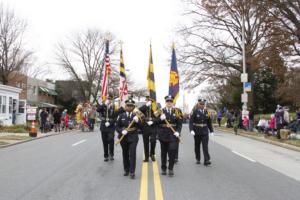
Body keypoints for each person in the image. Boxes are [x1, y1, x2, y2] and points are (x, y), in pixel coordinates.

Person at [157, 95, 182, 176]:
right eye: (168, 101)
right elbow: (154, 122)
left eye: (171, 101)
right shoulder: (160, 111)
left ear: (173, 102)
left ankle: (170, 168)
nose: (169, 103)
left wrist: (178, 131)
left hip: (173, 134)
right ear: (165, 102)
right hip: (163, 134)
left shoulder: (177, 111)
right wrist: (160, 118)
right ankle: (163, 168)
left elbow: (179, 123)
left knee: (172, 151)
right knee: (163, 152)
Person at [116, 99, 141, 179]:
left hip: (133, 136)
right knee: (125, 153)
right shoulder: (121, 115)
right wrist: (121, 131)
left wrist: (138, 121)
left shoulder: (136, 116)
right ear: (125, 106)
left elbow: (141, 127)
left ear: (133, 107)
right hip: (123, 137)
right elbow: (117, 126)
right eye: (128, 105)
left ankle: (132, 171)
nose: (129, 107)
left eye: (131, 106)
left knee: (132, 154)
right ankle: (126, 169)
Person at [189, 98, 214, 166]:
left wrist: (211, 131)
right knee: (197, 146)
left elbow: (209, 122)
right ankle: (198, 158)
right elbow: (191, 122)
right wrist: (191, 130)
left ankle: (206, 160)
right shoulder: (194, 111)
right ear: (198, 104)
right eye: (201, 104)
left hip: (205, 131)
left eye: (203, 104)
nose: (202, 105)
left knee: (205, 146)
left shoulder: (207, 112)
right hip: (197, 131)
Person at [97, 96, 120, 162]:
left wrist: (110, 122)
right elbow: (98, 110)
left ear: (112, 100)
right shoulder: (103, 106)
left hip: (111, 126)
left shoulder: (114, 106)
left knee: (111, 140)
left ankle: (111, 154)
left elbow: (116, 117)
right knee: (104, 141)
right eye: (108, 99)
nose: (109, 100)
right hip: (104, 125)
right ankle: (106, 155)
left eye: (110, 99)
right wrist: (104, 104)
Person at [139, 96, 157, 162]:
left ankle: (152, 153)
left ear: (152, 102)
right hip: (145, 126)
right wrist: (146, 105)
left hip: (153, 126)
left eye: (150, 101)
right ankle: (146, 157)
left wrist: (153, 121)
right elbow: (138, 110)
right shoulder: (144, 107)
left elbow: (158, 117)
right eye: (147, 100)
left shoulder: (155, 108)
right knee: (145, 142)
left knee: (153, 140)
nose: (149, 102)